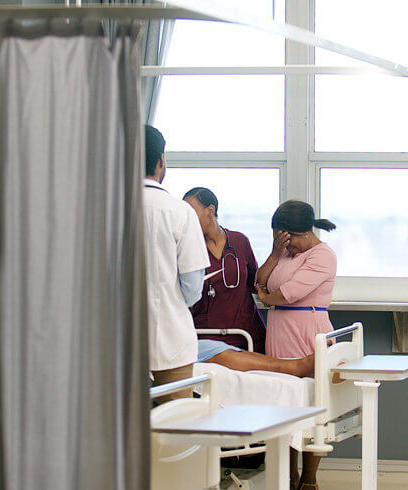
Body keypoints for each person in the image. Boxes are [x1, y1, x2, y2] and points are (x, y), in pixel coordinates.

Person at [254, 199, 338, 490]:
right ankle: (287, 476)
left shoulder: (322, 255)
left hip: (307, 331)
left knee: (313, 405)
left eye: (288, 241)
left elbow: (289, 293)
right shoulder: (287, 255)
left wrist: (266, 298)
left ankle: (309, 480)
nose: (288, 249)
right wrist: (277, 252)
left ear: (301, 233)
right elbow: (260, 280)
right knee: (285, 405)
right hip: (280, 331)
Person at [142, 125, 210, 403]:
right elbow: (193, 288)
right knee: (177, 427)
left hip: (112, 341)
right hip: (170, 337)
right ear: (160, 161)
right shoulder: (179, 211)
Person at [183, 187, 267, 353]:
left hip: (248, 336)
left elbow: (254, 284)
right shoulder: (187, 248)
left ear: (211, 210)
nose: (187, 220)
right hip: (207, 339)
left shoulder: (239, 241)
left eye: (191, 213)